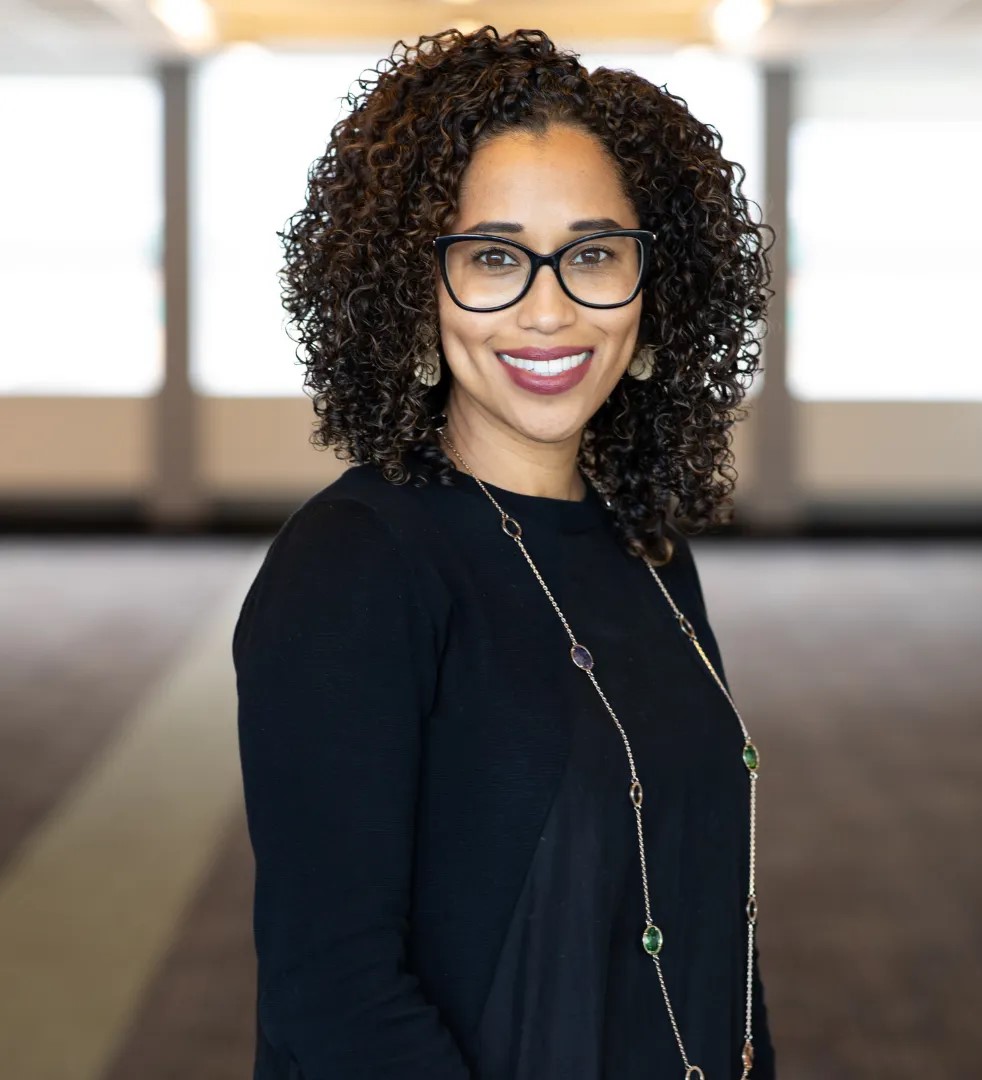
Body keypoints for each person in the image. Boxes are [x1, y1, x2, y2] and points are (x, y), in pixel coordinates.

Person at [233, 25, 777, 1080]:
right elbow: (334, 994)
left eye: (593, 254)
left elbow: (711, 929)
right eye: (492, 258)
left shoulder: (647, 549)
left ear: (652, 282)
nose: (549, 308)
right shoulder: (356, 566)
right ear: (415, 287)